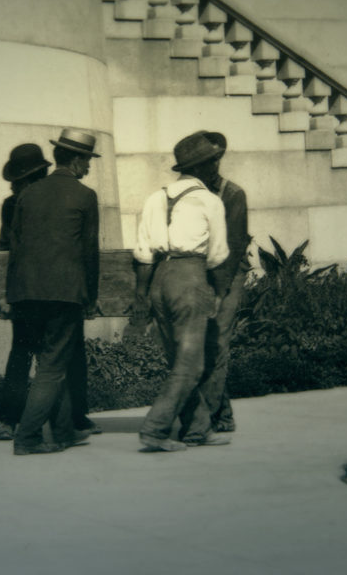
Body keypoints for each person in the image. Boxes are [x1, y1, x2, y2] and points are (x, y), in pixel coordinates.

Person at [0, 143, 102, 441]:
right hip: (62, 289)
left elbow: (12, 248)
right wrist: (90, 296)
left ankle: (66, 424)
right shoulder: (79, 195)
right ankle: (23, 426)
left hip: (28, 289)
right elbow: (88, 251)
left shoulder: (26, 197)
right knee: (48, 358)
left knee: (46, 356)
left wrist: (10, 292)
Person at [132, 131, 230, 452]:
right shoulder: (210, 201)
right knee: (192, 365)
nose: (216, 167)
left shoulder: (154, 198)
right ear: (202, 167)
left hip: (159, 277)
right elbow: (217, 255)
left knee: (180, 359)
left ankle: (197, 428)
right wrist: (215, 292)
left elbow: (143, 254)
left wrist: (143, 296)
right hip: (190, 278)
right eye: (213, 162)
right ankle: (155, 429)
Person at [179, 131, 251, 436]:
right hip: (200, 274)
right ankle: (223, 414)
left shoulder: (232, 194)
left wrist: (220, 292)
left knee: (217, 341)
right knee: (206, 343)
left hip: (228, 274)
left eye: (212, 160)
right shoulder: (188, 193)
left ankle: (207, 418)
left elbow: (233, 248)